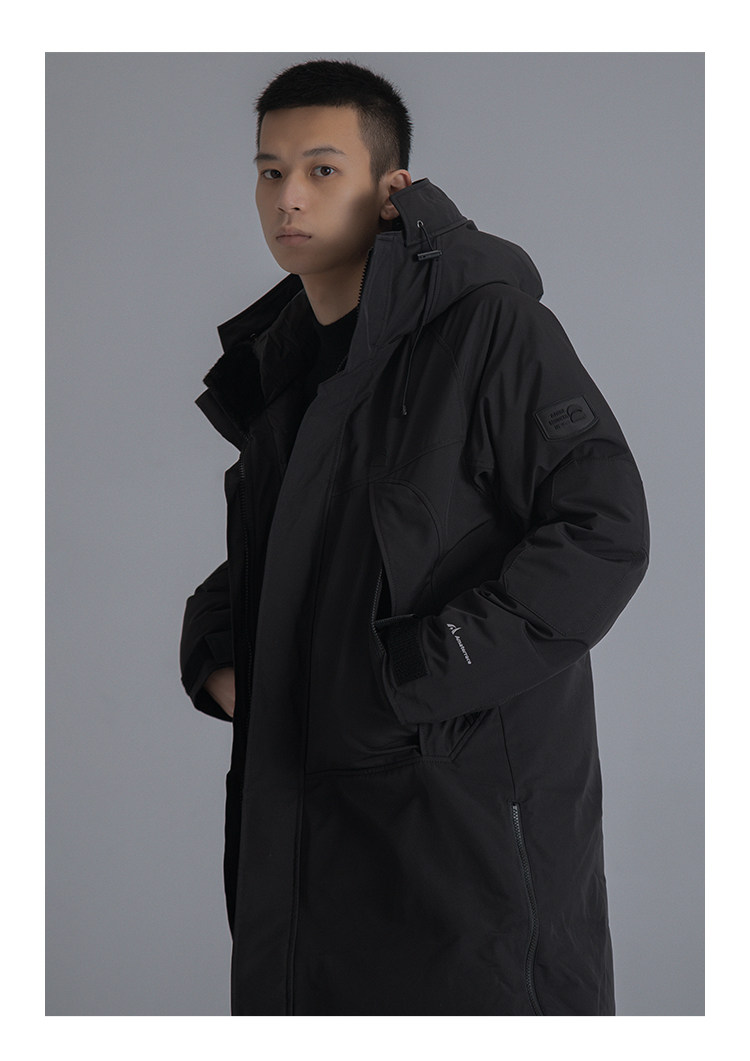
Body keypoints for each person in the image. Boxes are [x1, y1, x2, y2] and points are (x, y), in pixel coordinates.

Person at [179, 58, 650, 1016]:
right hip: (312, 821)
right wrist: (219, 646)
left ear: (391, 187)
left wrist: (409, 681)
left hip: (461, 826)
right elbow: (303, 542)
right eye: (270, 172)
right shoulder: (298, 365)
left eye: (322, 170)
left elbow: (603, 527)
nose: (289, 197)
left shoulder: (491, 329)